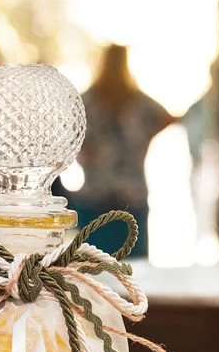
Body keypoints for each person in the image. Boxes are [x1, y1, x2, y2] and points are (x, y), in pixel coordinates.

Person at [72, 45, 174, 258]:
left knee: (93, 265)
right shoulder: (138, 101)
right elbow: (169, 118)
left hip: (97, 192)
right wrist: (143, 141)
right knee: (132, 266)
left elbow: (66, 127)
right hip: (128, 192)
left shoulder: (87, 101)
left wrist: (84, 149)